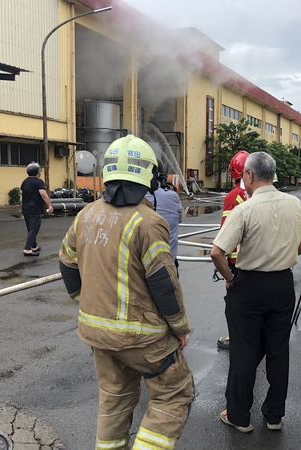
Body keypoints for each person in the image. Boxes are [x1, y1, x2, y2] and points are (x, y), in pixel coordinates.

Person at [58, 135, 194, 450]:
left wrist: (84, 301)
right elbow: (163, 282)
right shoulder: (148, 222)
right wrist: (180, 327)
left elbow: (66, 263)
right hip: (143, 339)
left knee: (114, 400)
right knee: (174, 395)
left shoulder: (86, 214)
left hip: (97, 334)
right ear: (150, 176)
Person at [210, 151, 301, 433]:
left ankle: (239, 416)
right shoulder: (296, 204)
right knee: (278, 351)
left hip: (249, 286)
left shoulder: (246, 208)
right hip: (282, 286)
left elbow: (217, 252)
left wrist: (230, 278)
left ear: (250, 175)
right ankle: (274, 416)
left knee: (244, 351)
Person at [216, 150, 249, 350]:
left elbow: (224, 234)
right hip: (257, 261)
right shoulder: (256, 194)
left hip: (236, 263)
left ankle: (236, 338)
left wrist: (226, 272)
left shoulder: (234, 195)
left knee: (235, 305)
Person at [145, 175, 183, 270]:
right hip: (170, 259)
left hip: (147, 262)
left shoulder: (140, 199)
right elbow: (180, 218)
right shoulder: (173, 196)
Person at [20, 162, 53, 257]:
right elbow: (43, 194)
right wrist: (49, 206)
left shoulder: (25, 181)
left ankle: (34, 246)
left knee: (30, 228)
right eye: (40, 170)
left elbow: (22, 193)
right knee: (34, 229)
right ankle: (27, 249)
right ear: (38, 172)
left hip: (25, 208)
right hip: (35, 209)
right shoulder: (38, 181)